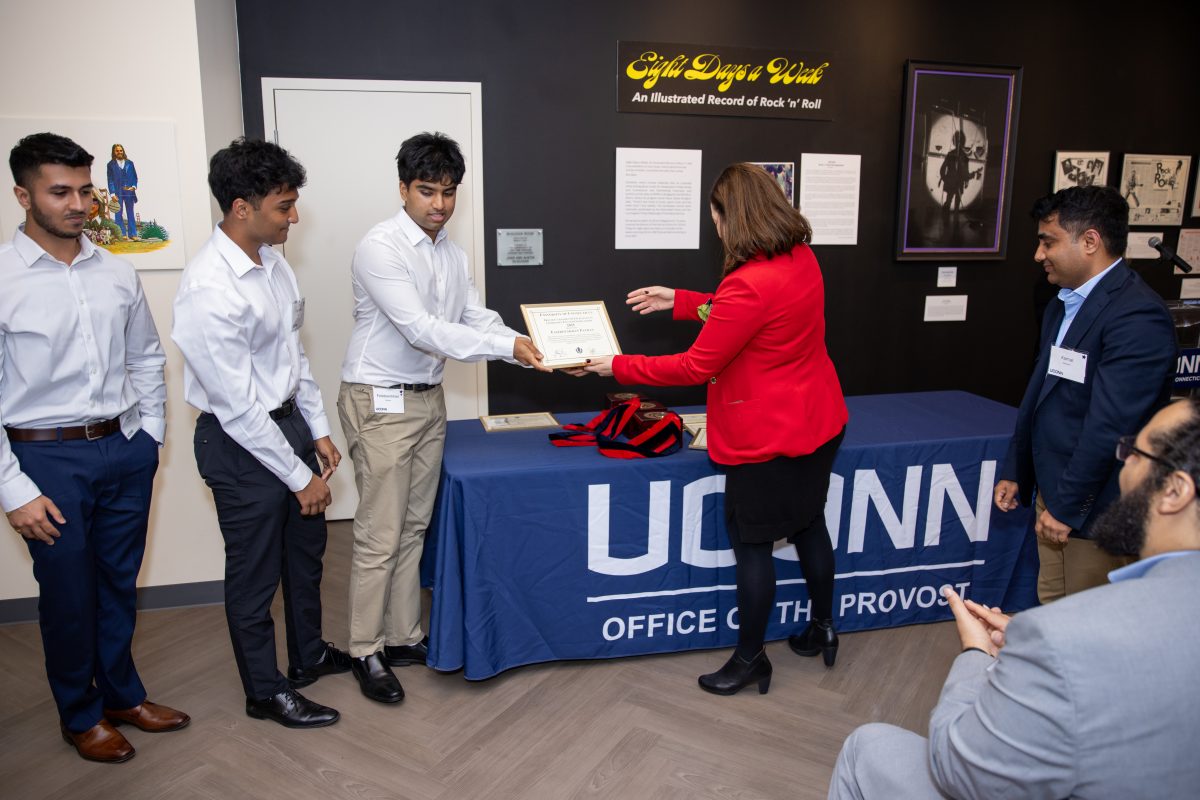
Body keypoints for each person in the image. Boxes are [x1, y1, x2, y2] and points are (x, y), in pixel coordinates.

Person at [830, 396, 1200, 800]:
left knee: (867, 747)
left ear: (1175, 491)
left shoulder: (1065, 636)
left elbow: (962, 769)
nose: (1122, 462)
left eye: (1134, 453)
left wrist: (976, 655)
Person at [577, 163, 848, 695]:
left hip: (768, 439)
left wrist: (619, 365)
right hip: (819, 422)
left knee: (753, 548)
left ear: (733, 217)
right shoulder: (801, 257)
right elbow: (745, 315)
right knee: (810, 523)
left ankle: (751, 660)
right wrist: (678, 300)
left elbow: (695, 366)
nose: (716, 229)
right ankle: (823, 627)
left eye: (717, 219)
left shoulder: (748, 282)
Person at [337, 131, 549, 703]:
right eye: (427, 191)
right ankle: (365, 649)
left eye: (448, 192)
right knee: (379, 533)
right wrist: (507, 350)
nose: (439, 203)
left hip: (428, 399)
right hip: (379, 399)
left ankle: (403, 636)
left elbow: (474, 316)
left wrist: (526, 343)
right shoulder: (380, 247)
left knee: (411, 527)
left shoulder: (450, 252)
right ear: (403, 188)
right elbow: (422, 329)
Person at [1, 132, 188, 763]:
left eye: (85, 189)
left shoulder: (116, 271)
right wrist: (14, 489)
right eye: (60, 191)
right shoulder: (3, 277)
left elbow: (145, 359)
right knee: (68, 595)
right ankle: (79, 715)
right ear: (23, 194)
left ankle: (120, 696)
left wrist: (151, 438)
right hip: (43, 459)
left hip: (122, 451)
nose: (78, 203)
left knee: (117, 583)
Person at [173, 138, 351, 728]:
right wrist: (300, 477)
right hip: (238, 442)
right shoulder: (208, 288)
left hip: (289, 425)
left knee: (305, 558)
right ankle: (264, 690)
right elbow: (237, 406)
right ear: (241, 207)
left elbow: (292, 355)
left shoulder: (273, 265)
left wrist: (318, 430)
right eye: (284, 206)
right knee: (253, 576)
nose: (293, 217)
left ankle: (307, 657)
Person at [994, 186, 1176, 602]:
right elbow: (1041, 392)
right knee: (1053, 610)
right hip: (1054, 496)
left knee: (1089, 624)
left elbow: (1110, 424)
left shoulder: (1137, 316)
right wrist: (1016, 469)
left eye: (1048, 241)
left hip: (1094, 511)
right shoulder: (1061, 302)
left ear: (1090, 241)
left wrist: (1068, 507)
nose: (1039, 254)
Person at [106, 143, 138, 239]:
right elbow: (110, 179)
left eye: (121, 150)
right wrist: (112, 194)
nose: (119, 152)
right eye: (117, 151)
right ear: (114, 152)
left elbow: (134, 177)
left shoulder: (130, 163)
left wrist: (133, 186)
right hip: (117, 192)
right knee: (118, 213)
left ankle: (133, 234)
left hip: (129, 191)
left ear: (123, 151)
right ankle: (122, 234)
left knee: (130, 213)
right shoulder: (110, 165)